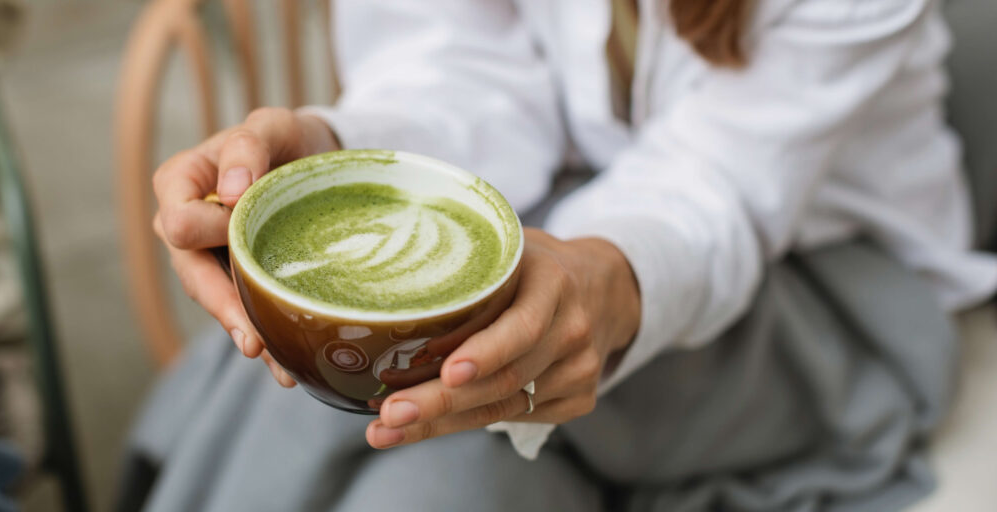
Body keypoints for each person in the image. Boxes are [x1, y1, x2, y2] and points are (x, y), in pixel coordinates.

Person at [128, 0, 997, 510]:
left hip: (822, 281)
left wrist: (601, 287)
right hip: (570, 206)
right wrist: (330, 146)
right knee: (423, 442)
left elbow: (718, 189)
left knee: (427, 468)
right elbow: (466, 68)